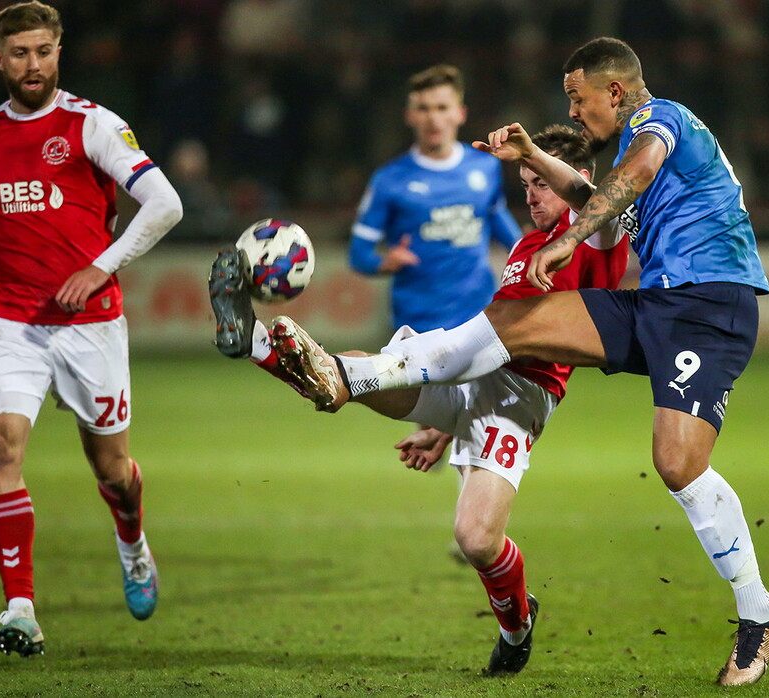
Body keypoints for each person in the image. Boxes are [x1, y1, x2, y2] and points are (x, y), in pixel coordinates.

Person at [255, 37, 769, 687]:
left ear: (613, 90)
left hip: (710, 307)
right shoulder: (634, 142)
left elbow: (636, 172)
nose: (575, 108)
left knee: (676, 463)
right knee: (515, 322)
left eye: (577, 96)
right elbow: (600, 189)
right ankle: (347, 375)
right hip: (656, 305)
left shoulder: (659, 122)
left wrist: (568, 237)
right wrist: (533, 153)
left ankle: (759, 611)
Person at [208, 125, 629, 675]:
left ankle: (517, 624)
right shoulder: (527, 246)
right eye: (524, 182)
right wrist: (444, 424)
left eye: (541, 183)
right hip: (471, 380)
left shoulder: (598, 234)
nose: (531, 193)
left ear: (578, 181)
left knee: (476, 539)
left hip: (521, 395)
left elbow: (588, 206)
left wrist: (544, 163)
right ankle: (259, 342)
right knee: (349, 379)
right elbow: (485, 343)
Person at [0, 1, 182, 658]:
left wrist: (99, 266)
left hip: (91, 326)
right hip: (11, 321)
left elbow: (165, 203)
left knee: (112, 469)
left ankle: (133, 543)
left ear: (59, 53)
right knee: (2, 448)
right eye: (21, 53)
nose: (34, 65)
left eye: (44, 52)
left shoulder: (92, 124)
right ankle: (21, 609)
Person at [349, 63, 522, 334]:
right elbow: (359, 253)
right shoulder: (389, 180)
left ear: (460, 113)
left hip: (481, 319)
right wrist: (383, 262)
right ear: (409, 116)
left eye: (442, 108)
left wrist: (527, 250)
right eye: (424, 108)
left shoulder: (484, 166)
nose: (433, 118)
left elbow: (497, 218)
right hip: (418, 325)